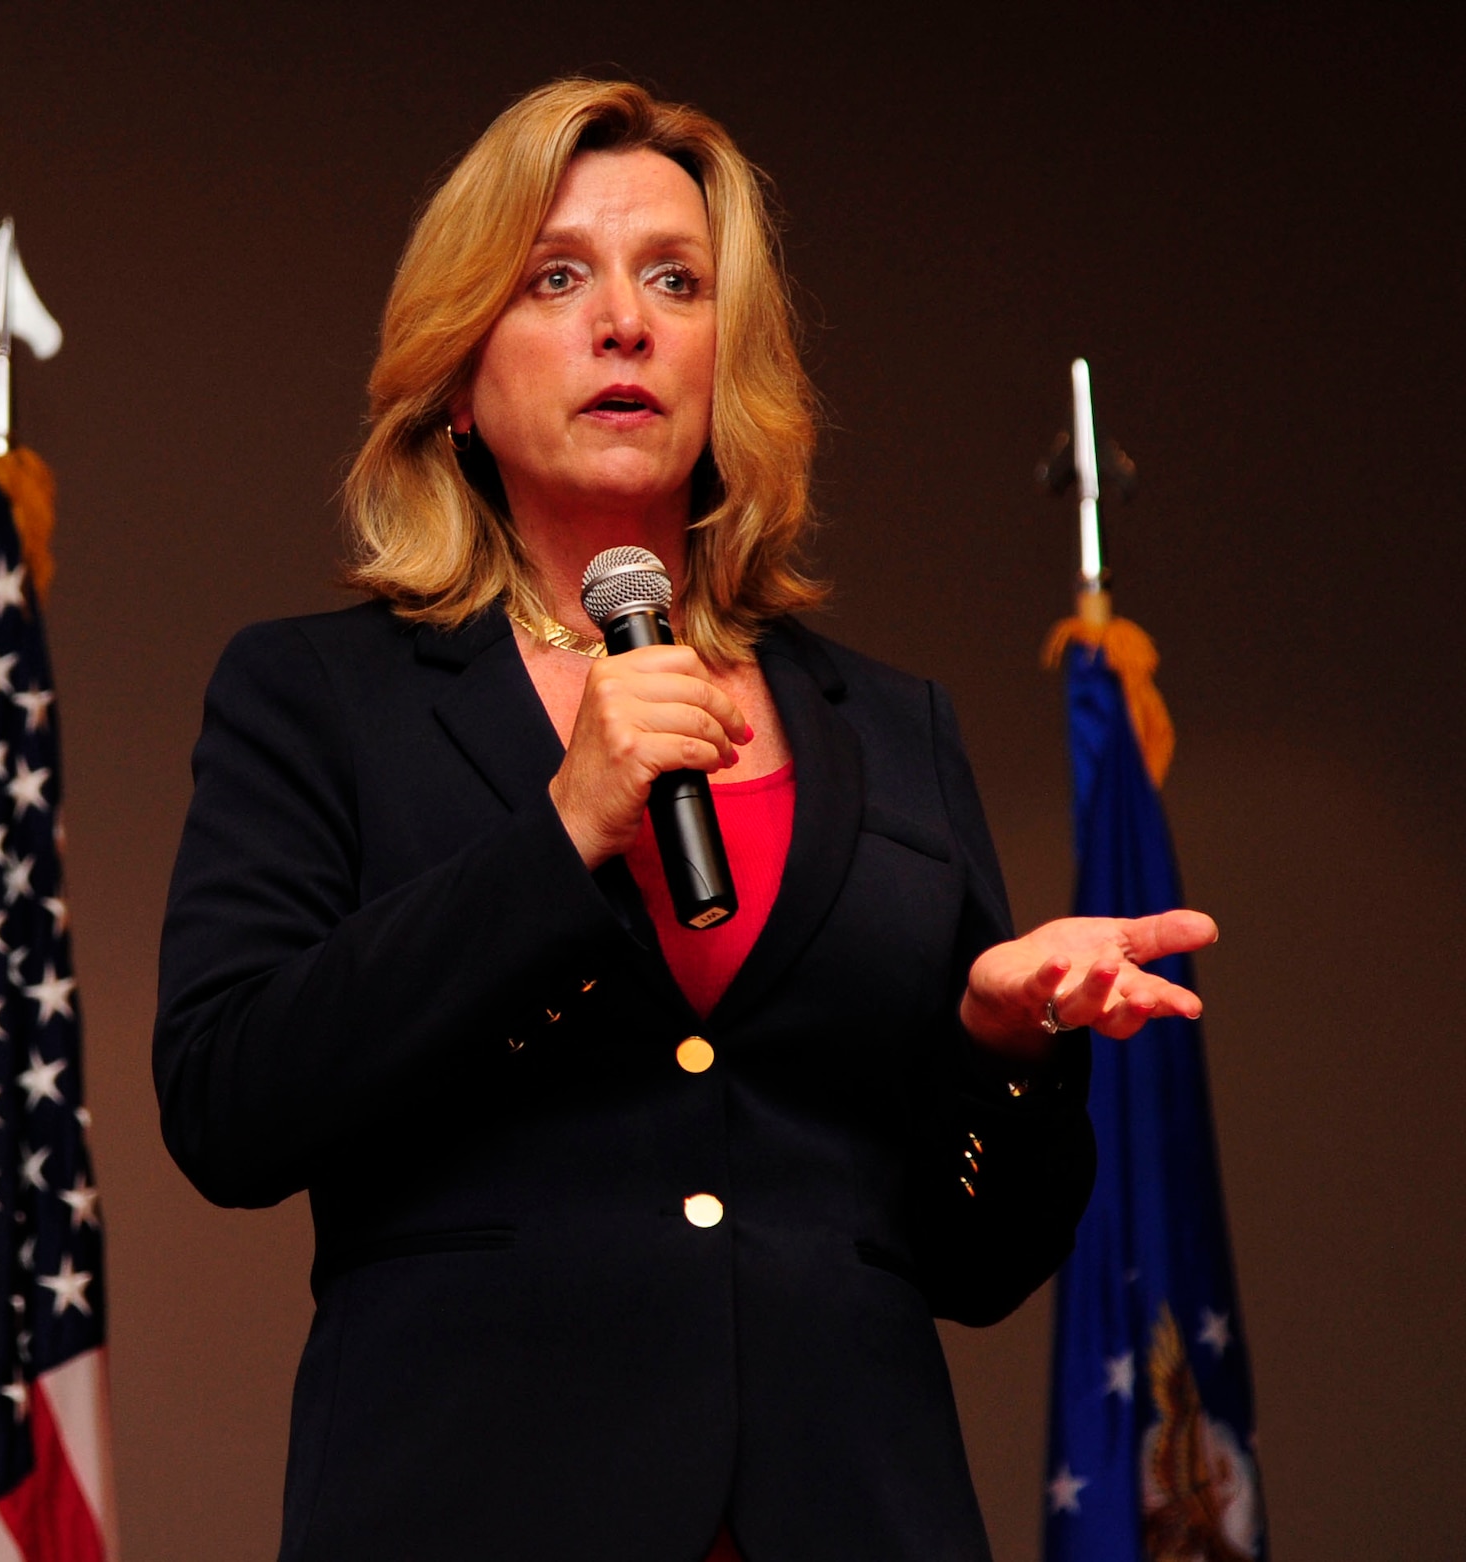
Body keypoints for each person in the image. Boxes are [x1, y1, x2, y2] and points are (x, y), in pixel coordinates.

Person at [153, 79, 1216, 1562]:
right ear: (460, 375)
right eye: (556, 277)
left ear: (731, 365)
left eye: (674, 280)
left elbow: (977, 1263)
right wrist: (559, 834)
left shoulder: (892, 726)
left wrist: (1003, 1050)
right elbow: (227, 1103)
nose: (625, 323)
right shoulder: (318, 693)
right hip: (471, 1507)